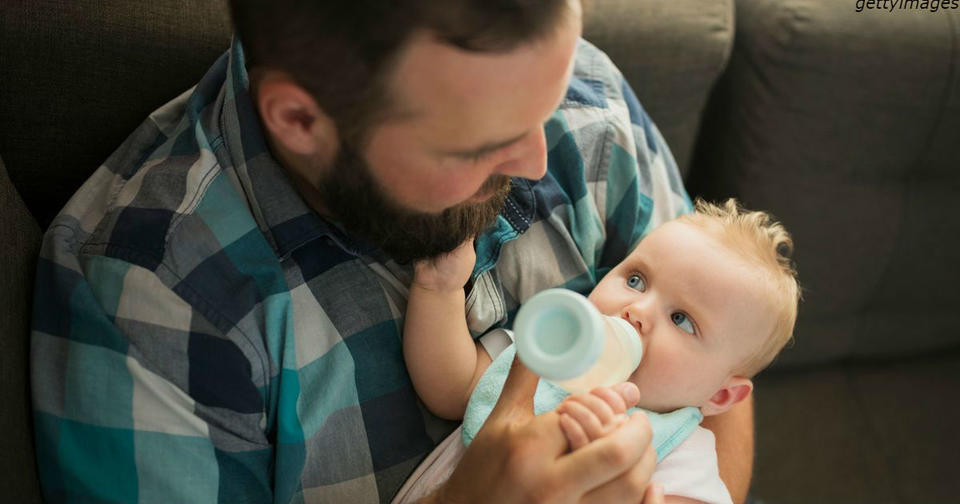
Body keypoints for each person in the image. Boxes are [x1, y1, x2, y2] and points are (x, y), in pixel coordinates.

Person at [30, 0, 754, 502]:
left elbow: (721, 364)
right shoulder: (149, 306)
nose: (539, 158)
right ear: (301, 120)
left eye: (549, 99)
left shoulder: (585, 101)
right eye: (478, 142)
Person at [401, 199, 800, 503]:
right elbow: (449, 389)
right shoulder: (543, 352)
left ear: (721, 395)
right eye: (637, 280)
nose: (637, 310)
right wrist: (440, 288)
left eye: (681, 319)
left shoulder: (683, 455)